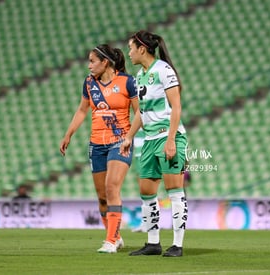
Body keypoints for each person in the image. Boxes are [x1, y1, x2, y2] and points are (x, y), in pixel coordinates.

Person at [60, 44, 139, 253]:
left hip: (120, 142)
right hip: (96, 144)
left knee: (112, 187)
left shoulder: (127, 82)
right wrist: (69, 133)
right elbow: (81, 110)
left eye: (92, 61)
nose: (89, 66)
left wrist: (130, 137)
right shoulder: (89, 83)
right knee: (102, 196)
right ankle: (116, 236)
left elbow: (140, 112)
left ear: (105, 63)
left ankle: (110, 240)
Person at [120, 30, 188, 257]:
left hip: (168, 136)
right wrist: (129, 136)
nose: (129, 52)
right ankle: (153, 242)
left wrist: (171, 140)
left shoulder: (164, 70)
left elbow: (176, 107)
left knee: (175, 191)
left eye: (131, 48)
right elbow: (142, 111)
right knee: (146, 191)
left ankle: (177, 245)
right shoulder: (139, 76)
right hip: (149, 140)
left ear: (142, 49)